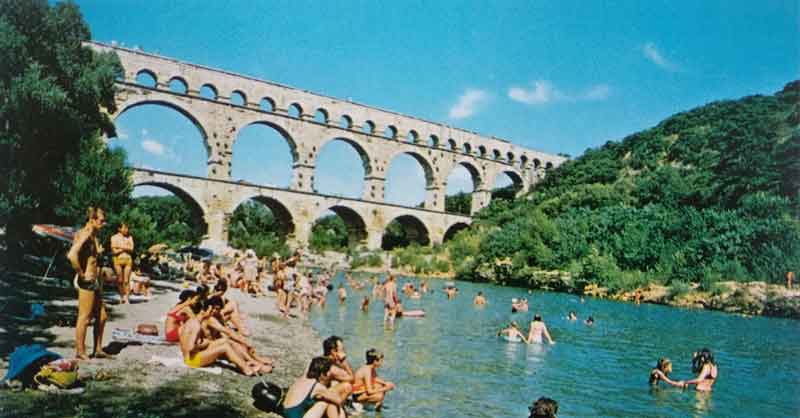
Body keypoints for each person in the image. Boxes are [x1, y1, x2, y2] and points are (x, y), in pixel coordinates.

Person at [67, 207, 111, 360]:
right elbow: (72, 255)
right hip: (87, 281)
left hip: (95, 281)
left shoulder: (93, 236)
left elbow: (91, 257)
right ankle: (80, 351)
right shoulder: (85, 234)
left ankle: (98, 349)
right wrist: (81, 274)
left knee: (102, 316)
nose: (103, 224)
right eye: (101, 220)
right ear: (91, 220)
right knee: (84, 317)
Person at [179, 296, 255, 375]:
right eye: (211, 310)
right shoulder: (196, 326)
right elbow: (190, 347)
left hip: (189, 356)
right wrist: (203, 344)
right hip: (192, 360)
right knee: (225, 348)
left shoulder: (192, 321)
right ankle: (246, 369)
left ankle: (246, 361)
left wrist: (204, 343)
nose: (212, 313)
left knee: (225, 342)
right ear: (208, 309)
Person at [110, 222, 135, 304]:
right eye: (124, 228)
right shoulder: (114, 237)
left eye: (127, 228)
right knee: (120, 280)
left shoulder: (130, 237)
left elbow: (131, 248)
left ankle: (127, 297)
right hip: (117, 260)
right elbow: (114, 251)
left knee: (126, 280)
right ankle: (121, 296)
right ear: (119, 229)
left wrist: (120, 247)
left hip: (128, 259)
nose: (126, 230)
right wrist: (125, 247)